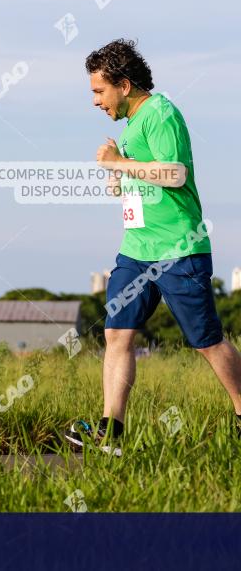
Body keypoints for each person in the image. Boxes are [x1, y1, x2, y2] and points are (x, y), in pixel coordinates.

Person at [65, 39, 241, 455]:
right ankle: (111, 432)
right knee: (117, 333)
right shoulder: (131, 127)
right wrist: (117, 176)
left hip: (179, 248)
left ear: (124, 84)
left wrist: (118, 164)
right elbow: (138, 183)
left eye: (98, 91)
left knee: (207, 341)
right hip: (137, 250)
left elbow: (175, 174)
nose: (95, 102)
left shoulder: (161, 113)